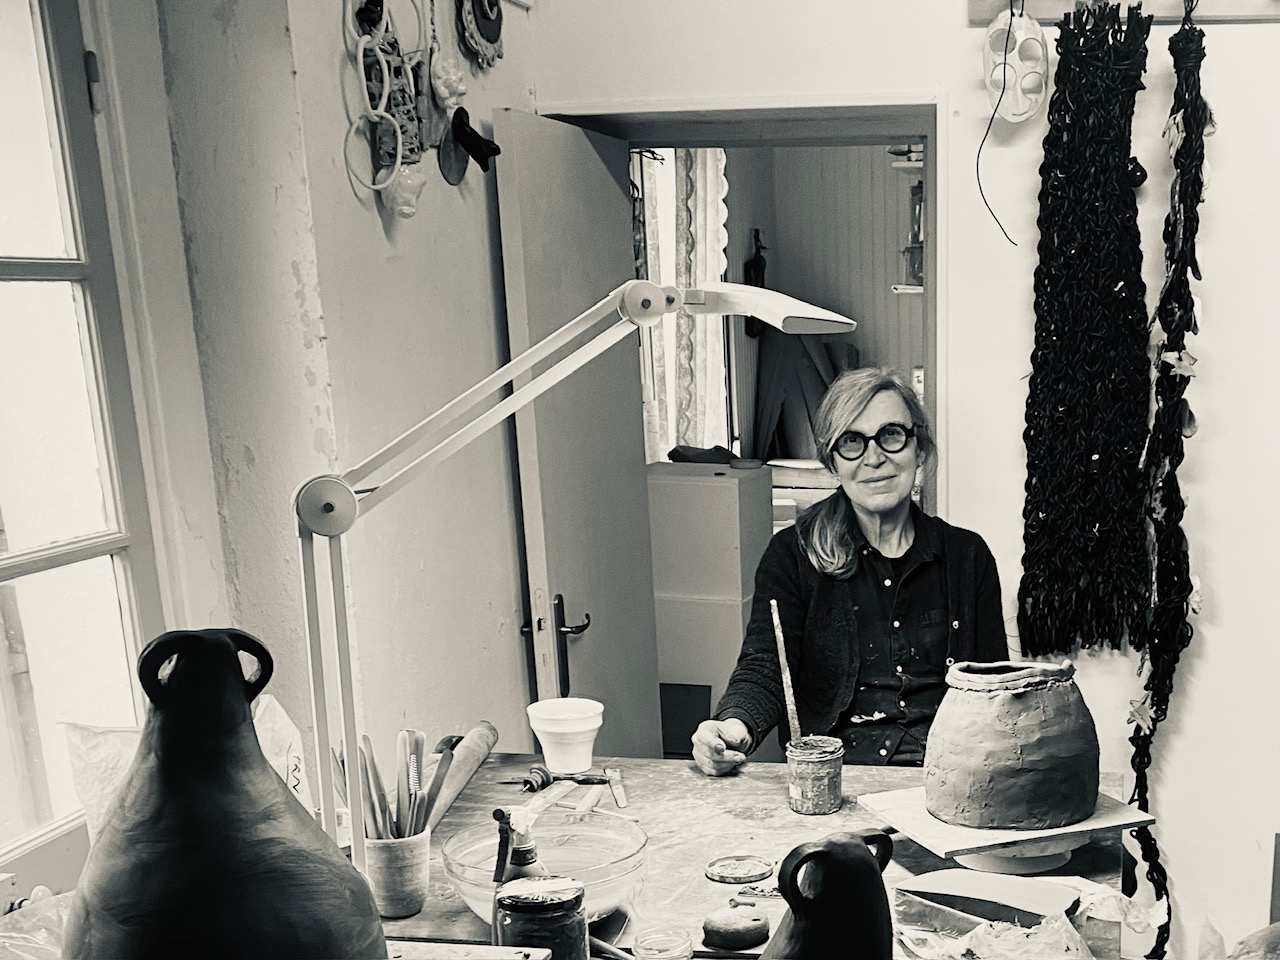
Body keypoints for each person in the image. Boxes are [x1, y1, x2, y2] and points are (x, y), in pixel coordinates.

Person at [692, 367, 1007, 775]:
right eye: (852, 442)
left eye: (891, 434)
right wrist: (732, 728)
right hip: (835, 778)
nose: (874, 458)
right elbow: (765, 666)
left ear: (919, 449)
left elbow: (995, 689)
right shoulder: (792, 555)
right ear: (832, 462)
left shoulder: (968, 556)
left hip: (949, 775)